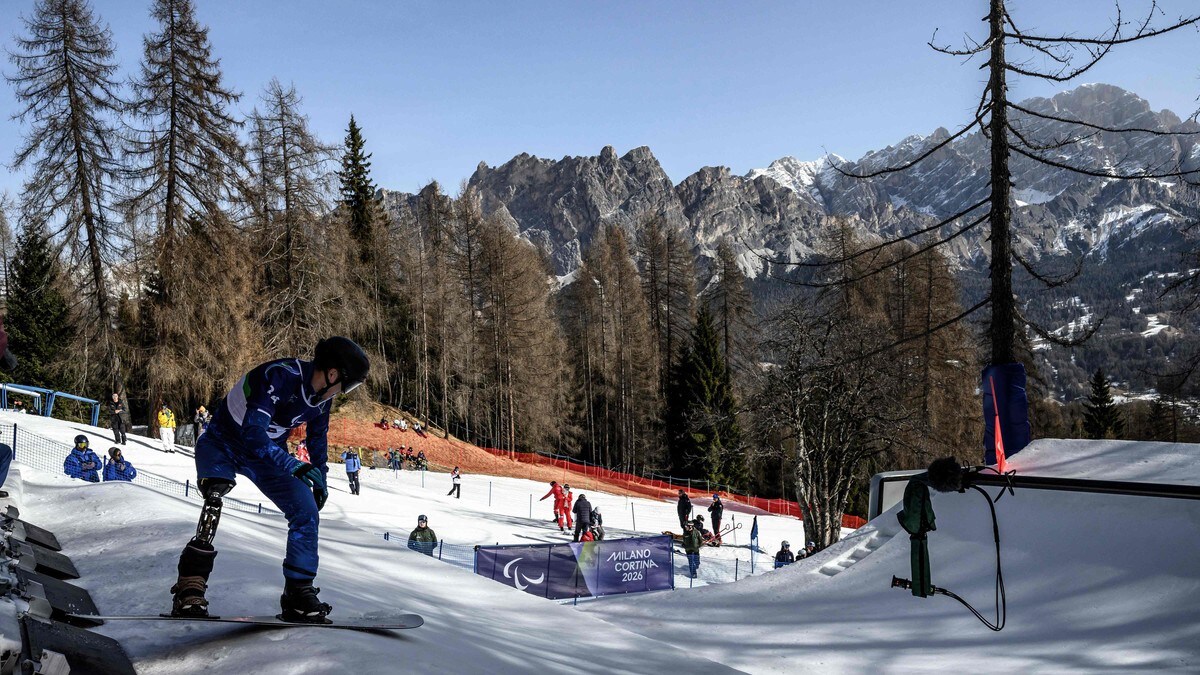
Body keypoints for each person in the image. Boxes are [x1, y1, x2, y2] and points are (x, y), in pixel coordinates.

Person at [169, 336, 369, 623]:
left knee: (306, 510)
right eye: (348, 386)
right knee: (215, 495)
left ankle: (298, 593)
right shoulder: (280, 376)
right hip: (223, 443)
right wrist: (292, 464)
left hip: (266, 454)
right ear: (332, 374)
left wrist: (320, 479)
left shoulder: (322, 400)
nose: (344, 393)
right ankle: (190, 586)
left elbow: (317, 440)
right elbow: (253, 433)